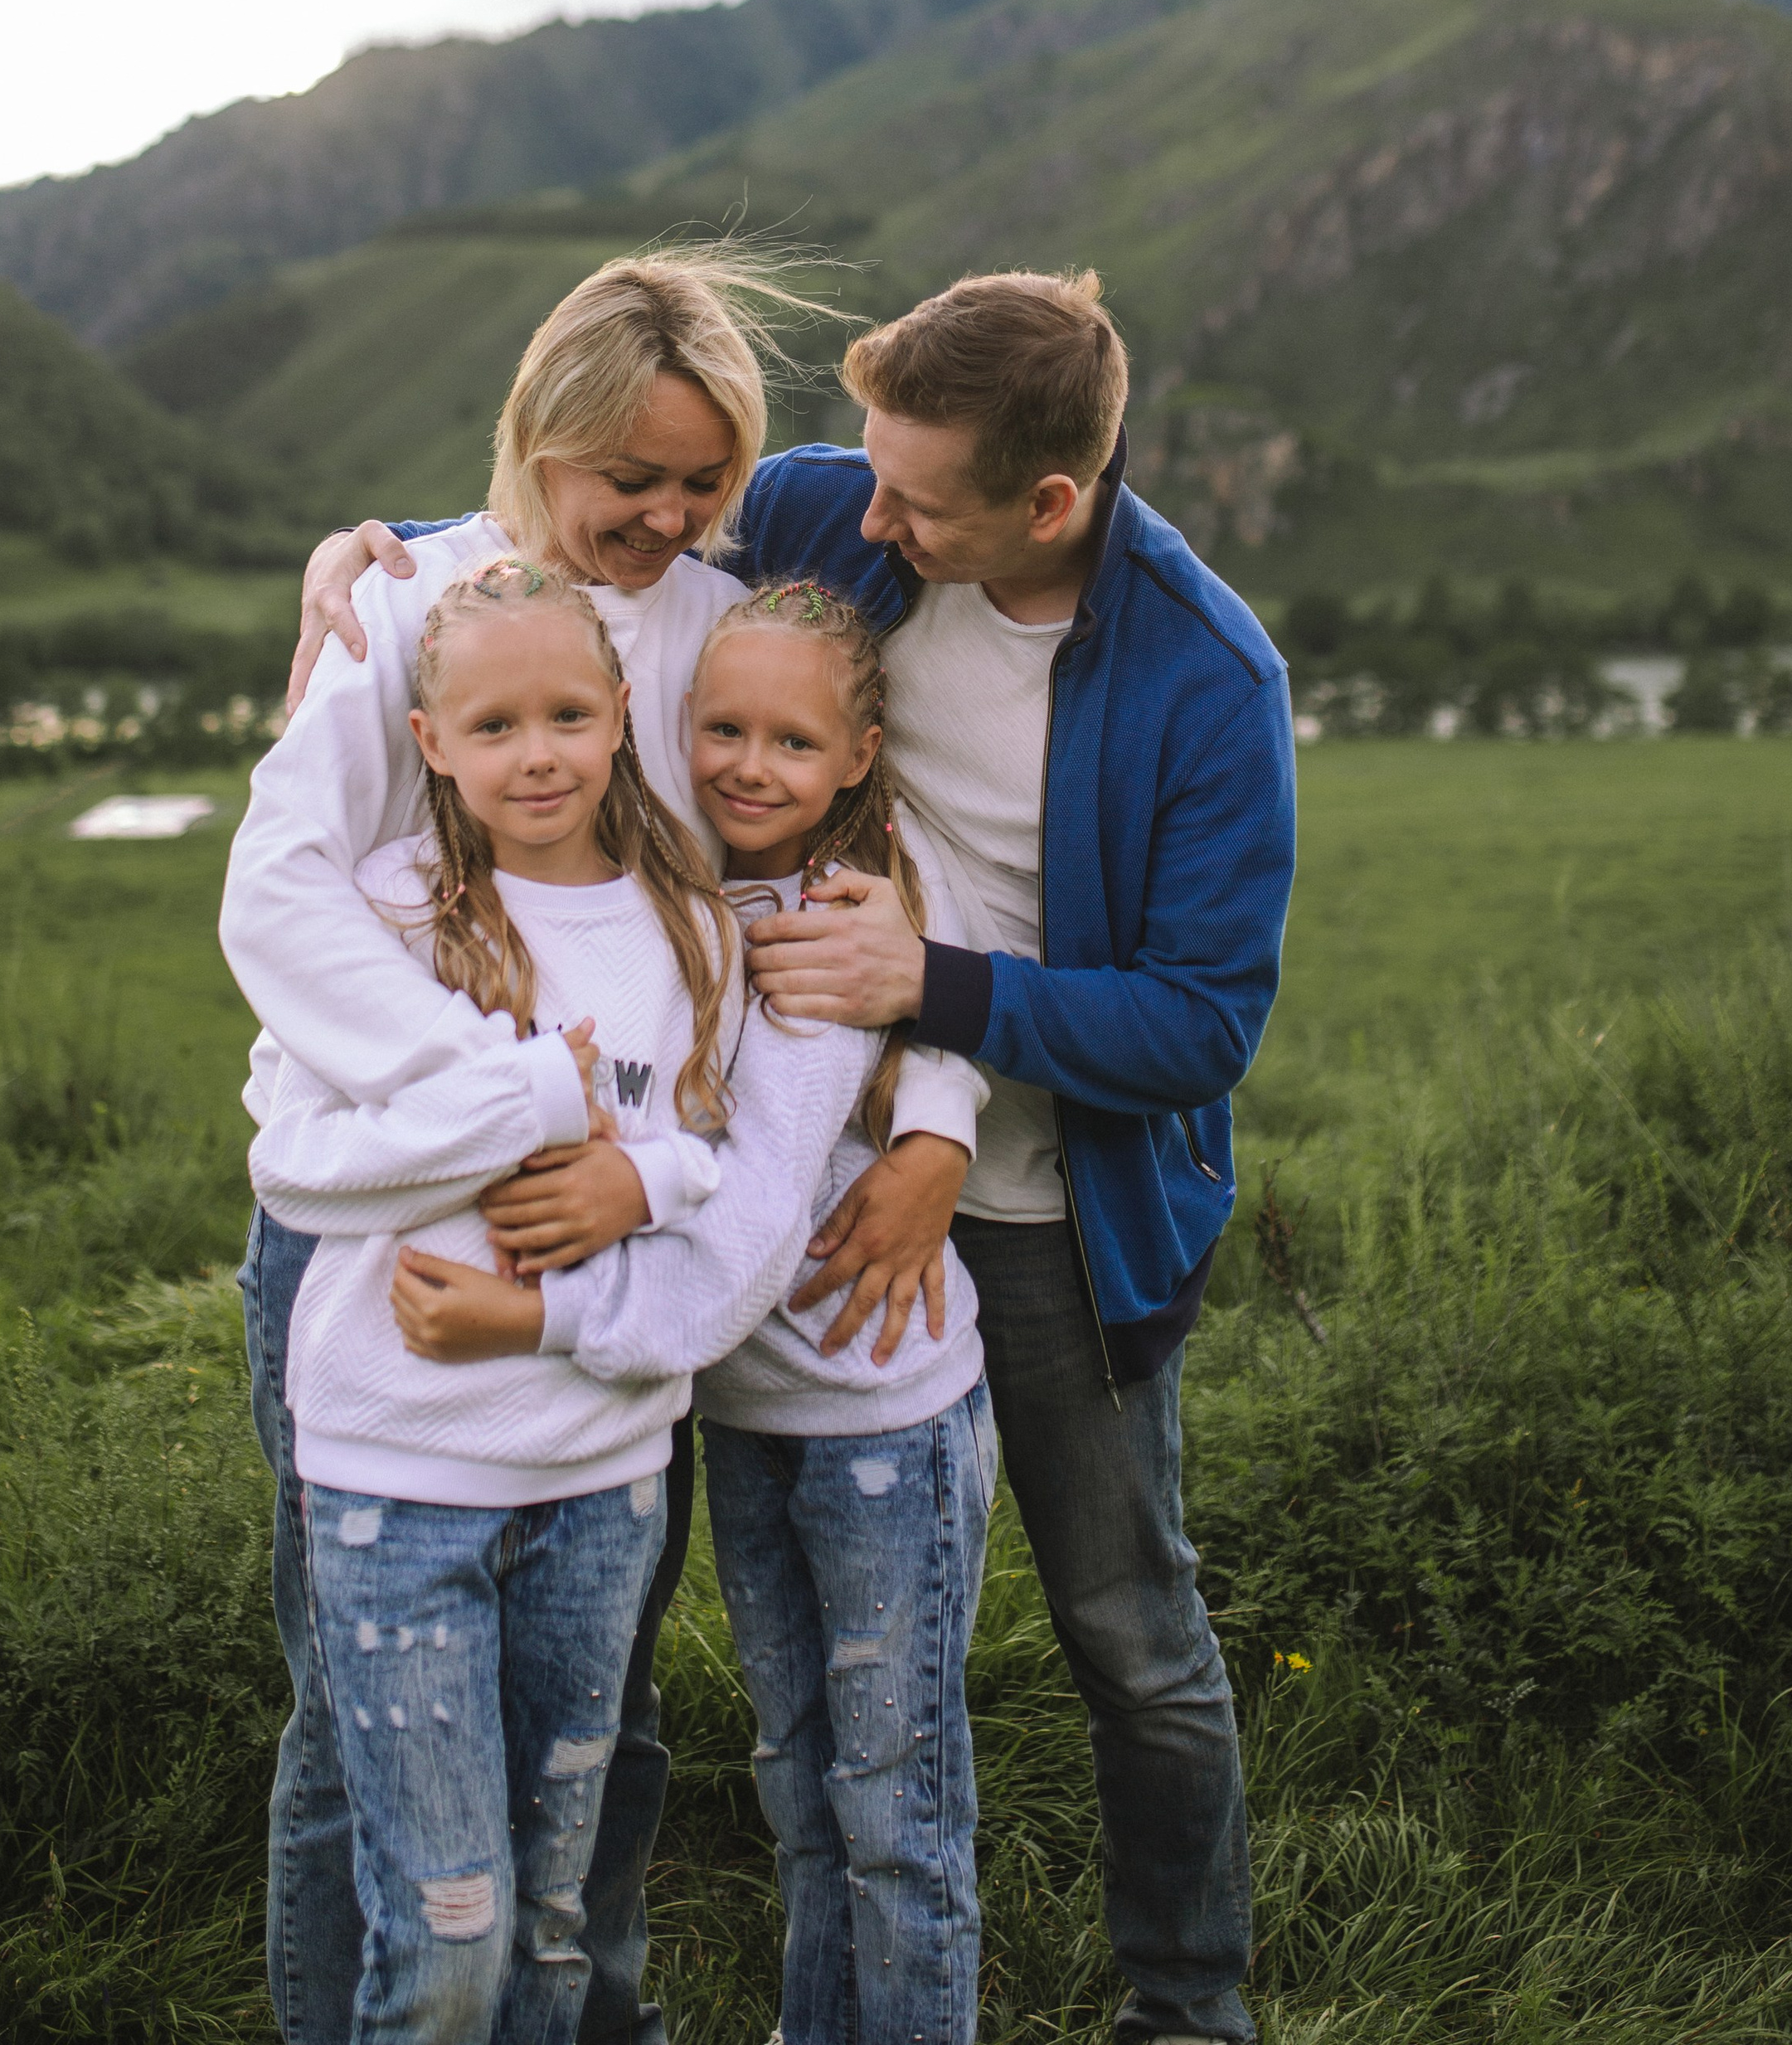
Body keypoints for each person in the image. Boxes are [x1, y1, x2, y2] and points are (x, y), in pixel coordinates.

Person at [306, 266, 1296, 2045]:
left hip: (1048, 1210)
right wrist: (380, 560)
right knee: (675, 1662)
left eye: (914, 500)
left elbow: (1201, 1024)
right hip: (767, 1208)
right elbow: (576, 511)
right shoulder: (841, 517)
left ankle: (1189, 2005)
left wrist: (938, 1033)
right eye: (863, 479)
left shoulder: (1201, 676)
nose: (861, 512)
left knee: (1126, 1629)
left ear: (1046, 505)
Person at [230, 254, 966, 2045]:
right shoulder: (411, 601)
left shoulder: (716, 621)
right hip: (384, 1228)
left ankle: (583, 2015)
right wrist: (493, 1090)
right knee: (357, 1699)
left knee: (600, 1692)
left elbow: (869, 844)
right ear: (535, 441)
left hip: (629, 1227)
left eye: (697, 477)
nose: (660, 511)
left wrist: (931, 1108)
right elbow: (282, 884)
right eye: (621, 473)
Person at [684, 582, 993, 2045]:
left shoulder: (867, 899)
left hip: (883, 1409)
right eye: (722, 727)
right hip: (749, 1412)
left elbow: (959, 1012)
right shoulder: (674, 892)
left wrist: (942, 1126)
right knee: (798, 1785)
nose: (751, 764)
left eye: (792, 740)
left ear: (857, 754)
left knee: (895, 1806)